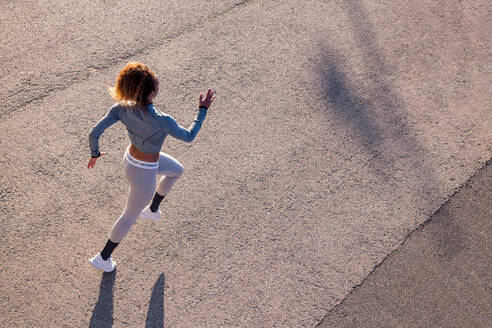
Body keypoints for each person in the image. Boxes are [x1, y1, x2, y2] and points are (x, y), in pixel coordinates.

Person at [87, 62, 214, 272]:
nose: (158, 81)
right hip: (144, 175)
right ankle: (103, 258)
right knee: (128, 216)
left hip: (131, 160)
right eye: (156, 82)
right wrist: (202, 111)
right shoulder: (163, 120)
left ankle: (153, 209)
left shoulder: (121, 108)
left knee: (176, 170)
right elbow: (189, 136)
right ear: (151, 93)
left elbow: (94, 133)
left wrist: (95, 154)